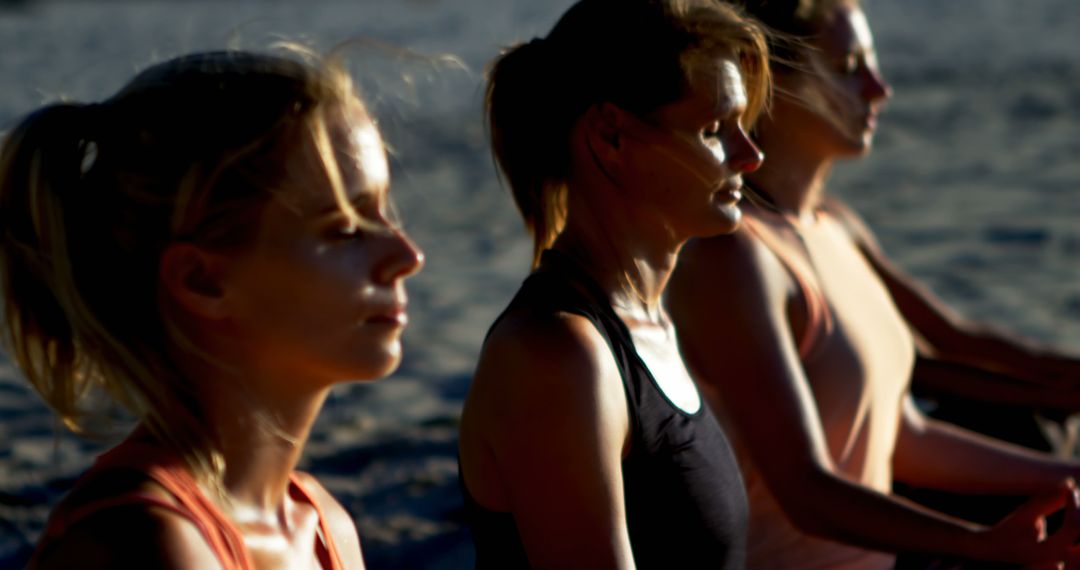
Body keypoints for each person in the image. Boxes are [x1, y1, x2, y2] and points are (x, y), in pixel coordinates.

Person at [667, 0, 1080, 567]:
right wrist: (983, 546)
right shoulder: (734, 260)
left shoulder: (832, 227)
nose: (879, 87)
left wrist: (1069, 477)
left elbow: (904, 436)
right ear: (774, 83)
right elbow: (808, 496)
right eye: (848, 66)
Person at [0, 49, 423, 569]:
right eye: (343, 230)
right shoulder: (142, 542)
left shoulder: (322, 525)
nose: (406, 257)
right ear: (204, 281)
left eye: (385, 211)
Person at [457, 0, 770, 567]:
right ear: (610, 137)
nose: (751, 156)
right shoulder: (558, 357)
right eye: (714, 130)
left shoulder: (647, 321)